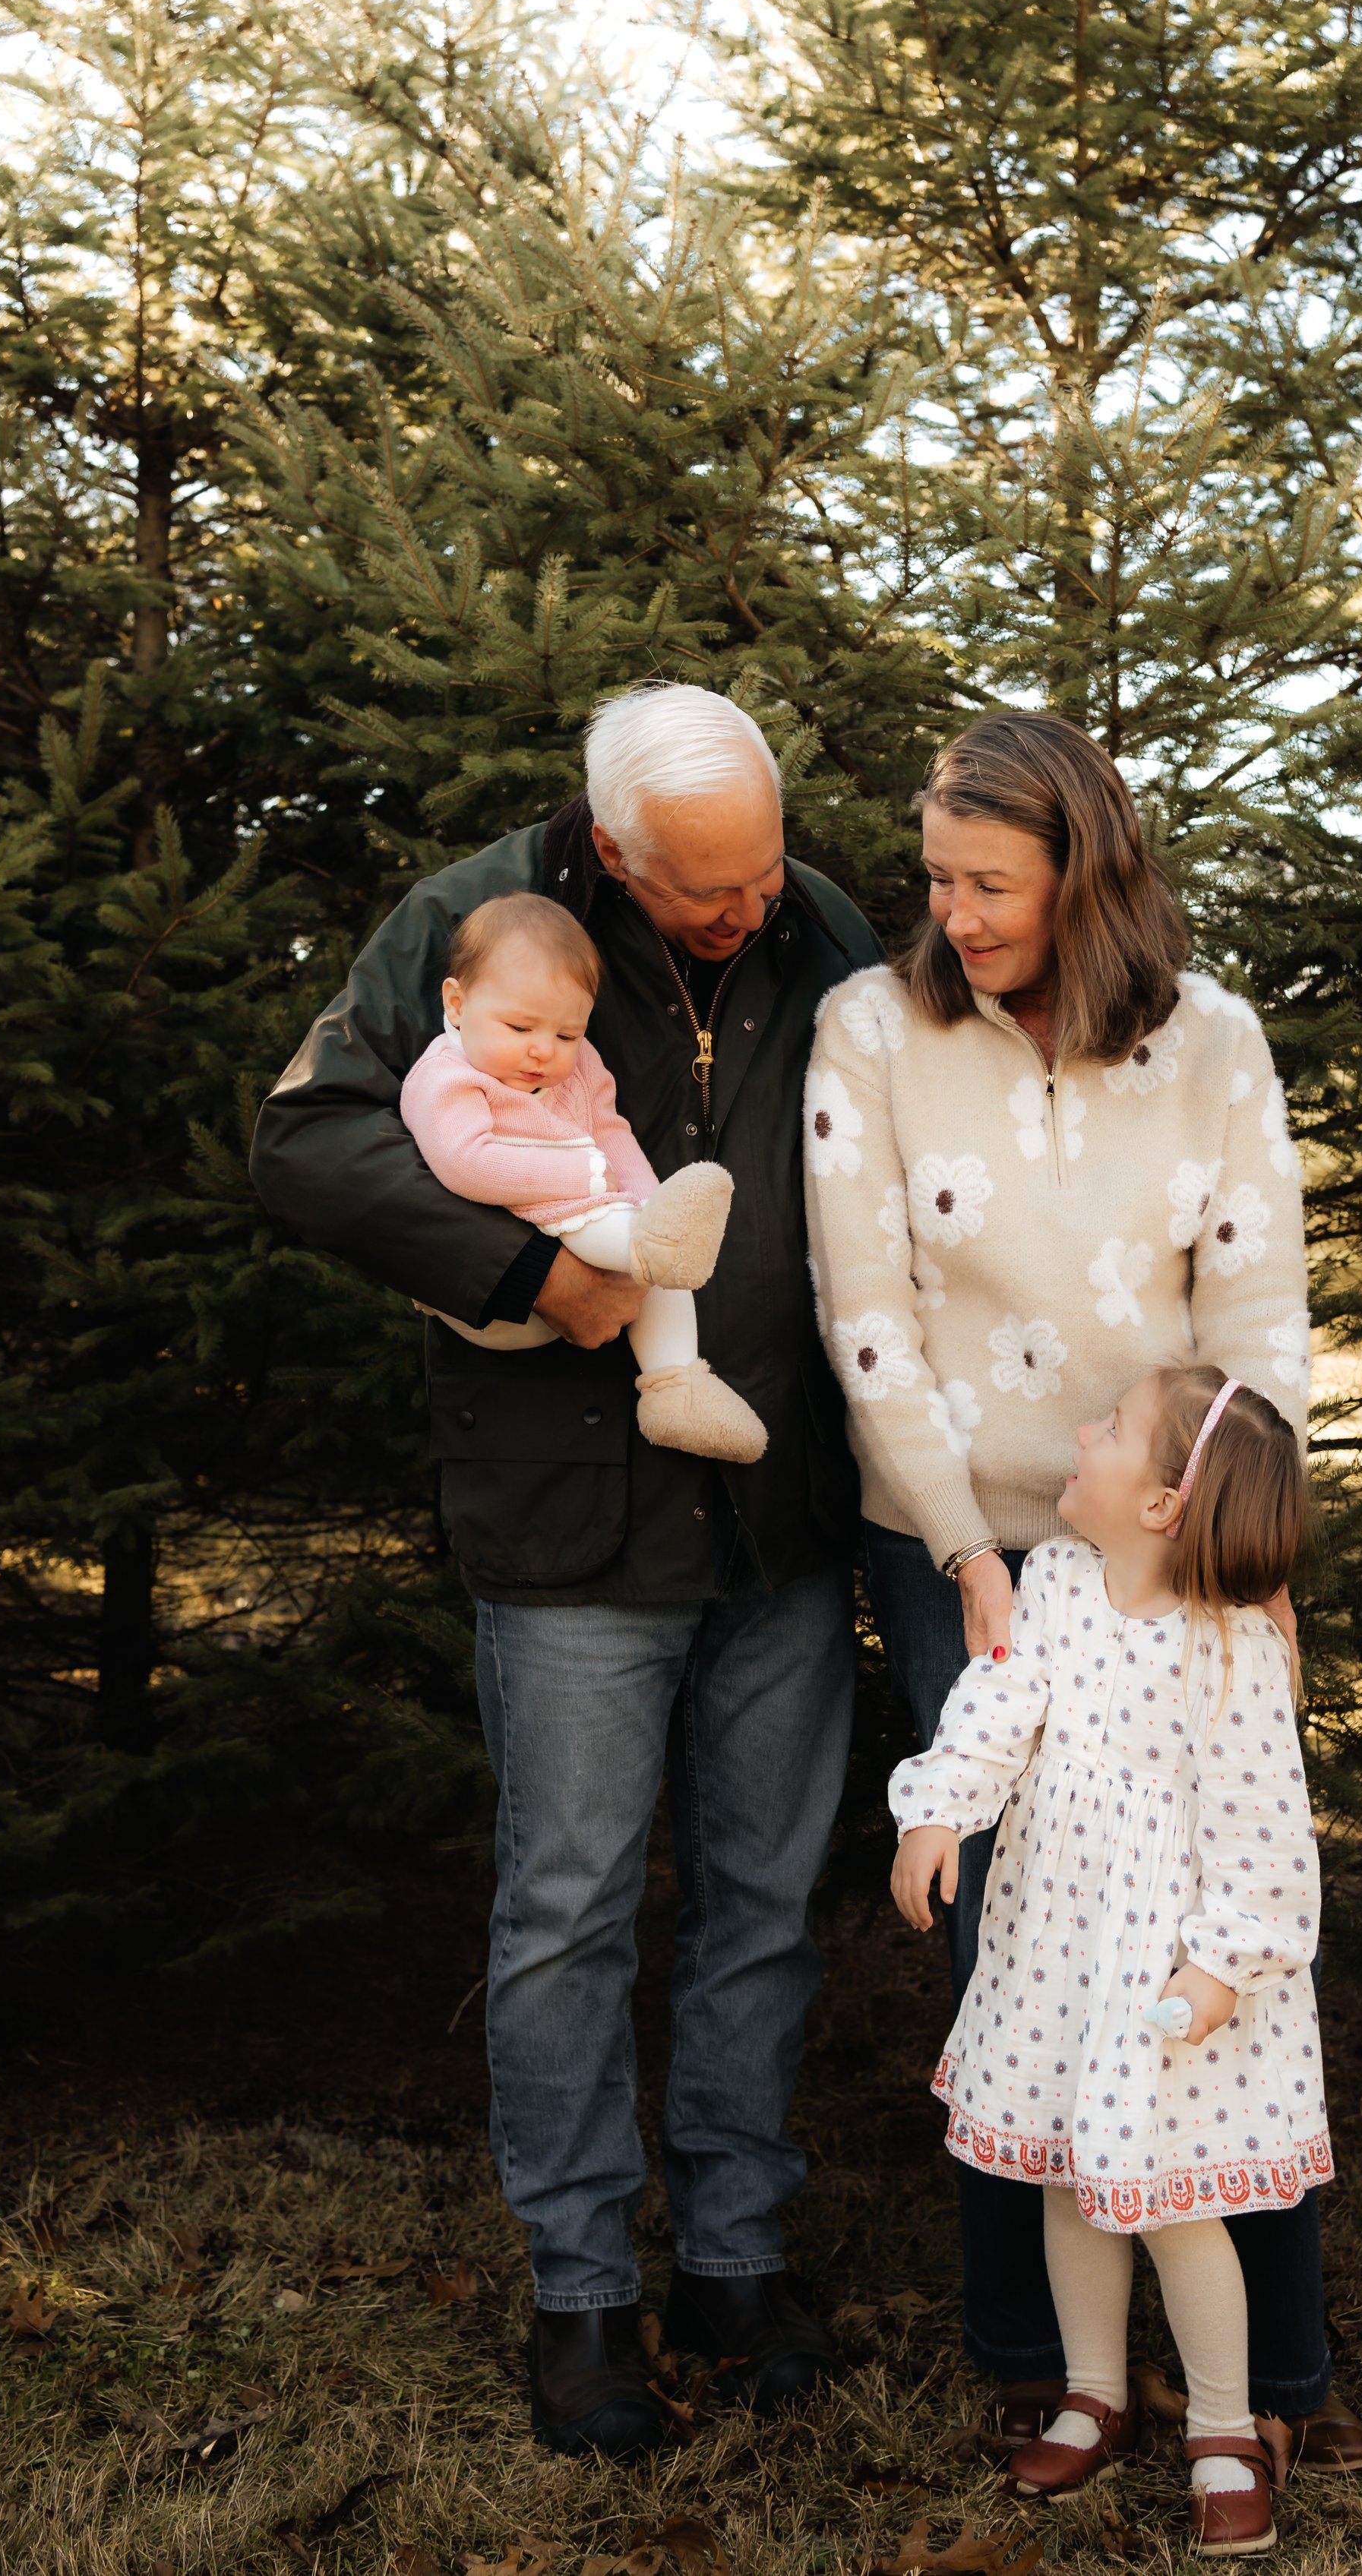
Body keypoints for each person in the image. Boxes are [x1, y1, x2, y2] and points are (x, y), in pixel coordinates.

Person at [249, 683, 881, 2457]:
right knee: (569, 1910)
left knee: (763, 1904)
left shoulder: (814, 919)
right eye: (702, 890)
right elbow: (308, 1138)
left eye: (762, 871)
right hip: (565, 1513)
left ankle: (737, 2262)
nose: (747, 909)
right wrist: (533, 1278)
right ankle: (585, 2297)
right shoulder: (472, 919)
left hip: (778, 1502)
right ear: (609, 850)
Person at [804, 708, 1362, 2474]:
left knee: (1216, 1928)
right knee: (1013, 1929)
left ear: (1087, 872)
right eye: (935, 878)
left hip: (1180, 1538)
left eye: (989, 882)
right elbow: (865, 1307)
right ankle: (1043, 2355)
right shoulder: (873, 1029)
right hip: (969, 1543)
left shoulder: (1215, 1045)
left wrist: (1242, 1557)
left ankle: (1273, 2375)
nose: (952, 912)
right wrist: (961, 1545)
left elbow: (1258, 1311)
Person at [891, 1364, 1329, 2556]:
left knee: (1175, 2203)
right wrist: (938, 1812)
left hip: (1165, 1985)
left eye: (1115, 1427)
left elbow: (1266, 1837)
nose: (1083, 1430)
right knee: (1063, 2175)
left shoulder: (1235, 1649)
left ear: (1161, 1504)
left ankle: (1226, 2427)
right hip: (1054, 1953)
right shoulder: (1052, 1584)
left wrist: (1221, 1967)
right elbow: (995, 1713)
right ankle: (1094, 2391)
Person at [400, 890, 767, 1461]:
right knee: (643, 1248)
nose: (543, 1052)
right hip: (497, 1290)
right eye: (519, 1027)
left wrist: (649, 1202)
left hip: (574, 1222)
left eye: (566, 1035)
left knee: (650, 1255)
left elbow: (611, 1132)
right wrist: (587, 1176)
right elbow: (466, 1163)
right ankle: (658, 1248)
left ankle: (676, 1387)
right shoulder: (445, 1076)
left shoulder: (581, 1065)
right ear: (456, 1002)